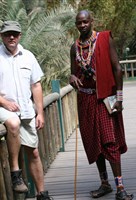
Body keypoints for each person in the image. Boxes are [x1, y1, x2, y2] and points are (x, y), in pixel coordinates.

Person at [70, 10, 134, 200]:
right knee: (94, 143)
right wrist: (71, 77)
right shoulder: (74, 48)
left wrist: (120, 98)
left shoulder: (105, 39)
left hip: (105, 98)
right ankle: (104, 183)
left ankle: (120, 187)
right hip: (86, 100)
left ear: (91, 21)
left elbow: (117, 68)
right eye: (79, 23)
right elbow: (73, 74)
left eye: (85, 22)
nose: (82, 25)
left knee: (110, 141)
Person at [0, 21, 53, 200]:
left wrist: (40, 113)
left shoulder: (28, 56)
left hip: (27, 111)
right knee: (13, 124)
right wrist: (4, 102)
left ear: (20, 35)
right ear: (2, 36)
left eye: (15, 33)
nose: (12, 37)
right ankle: (16, 174)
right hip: (3, 108)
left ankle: (41, 193)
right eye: (8, 34)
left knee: (34, 152)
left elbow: (36, 85)